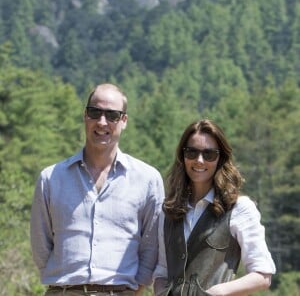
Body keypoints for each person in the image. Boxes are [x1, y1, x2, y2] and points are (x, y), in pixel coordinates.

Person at [30, 83, 165, 296]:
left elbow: (151, 248)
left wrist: (134, 290)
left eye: (112, 115)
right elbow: (40, 246)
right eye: (95, 112)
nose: (102, 122)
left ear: (124, 121)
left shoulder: (147, 179)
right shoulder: (51, 178)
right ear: (85, 115)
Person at [153, 119, 276, 296]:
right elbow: (162, 271)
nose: (199, 160)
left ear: (220, 158)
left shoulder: (240, 208)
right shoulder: (168, 211)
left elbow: (263, 274)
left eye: (209, 154)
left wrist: (218, 291)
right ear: (183, 156)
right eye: (192, 152)